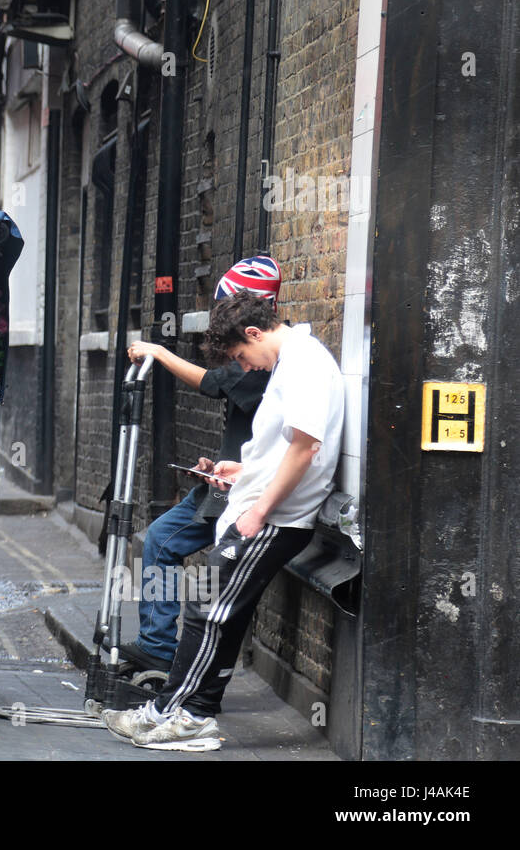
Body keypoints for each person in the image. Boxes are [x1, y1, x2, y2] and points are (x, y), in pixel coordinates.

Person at [103, 288, 344, 751]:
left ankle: (181, 716)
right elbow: (283, 448)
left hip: (274, 520)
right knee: (220, 615)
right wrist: (241, 472)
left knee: (205, 610)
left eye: (240, 355)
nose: (245, 366)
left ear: (254, 333)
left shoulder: (304, 366)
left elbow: (305, 449)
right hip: (262, 511)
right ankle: (183, 713)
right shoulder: (290, 363)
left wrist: (258, 510)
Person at [117, 257, 279, 674]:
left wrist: (158, 352)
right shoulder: (261, 356)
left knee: (164, 544)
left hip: (245, 493)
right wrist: (217, 462)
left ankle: (162, 648)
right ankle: (161, 645)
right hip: (227, 482)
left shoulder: (267, 364)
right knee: (161, 541)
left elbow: (210, 383)